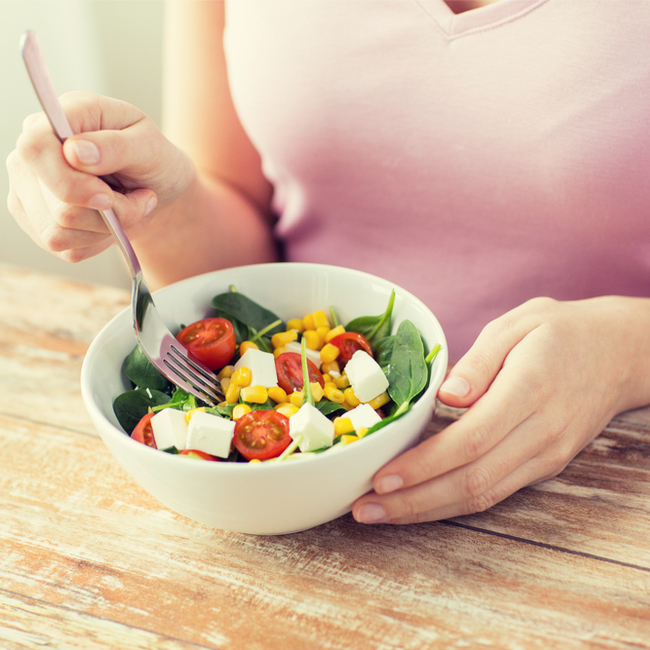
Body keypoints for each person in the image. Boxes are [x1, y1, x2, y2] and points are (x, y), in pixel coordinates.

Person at [7, 0, 650, 526]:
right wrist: (157, 206)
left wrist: (627, 354)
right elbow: (239, 252)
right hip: (301, 510)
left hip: (604, 487)